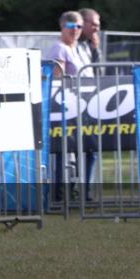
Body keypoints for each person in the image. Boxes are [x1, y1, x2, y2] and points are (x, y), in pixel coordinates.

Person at [47, 11, 97, 202]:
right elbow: (57, 78)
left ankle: (84, 192)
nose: (75, 30)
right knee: (63, 151)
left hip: (87, 107)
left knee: (90, 149)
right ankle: (59, 194)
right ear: (62, 27)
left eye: (78, 26)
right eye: (71, 26)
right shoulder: (59, 48)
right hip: (67, 108)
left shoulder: (81, 49)